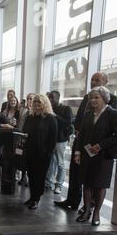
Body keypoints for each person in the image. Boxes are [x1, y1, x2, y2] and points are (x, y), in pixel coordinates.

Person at [55, 72, 117, 212]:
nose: (93, 82)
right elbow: (80, 119)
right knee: (76, 172)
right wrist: (77, 133)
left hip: (101, 148)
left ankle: (89, 206)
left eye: (97, 80)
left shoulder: (112, 100)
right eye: (92, 80)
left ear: (106, 82)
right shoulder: (86, 98)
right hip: (82, 142)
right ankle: (72, 200)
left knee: (95, 180)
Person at [74, 87, 117, 226]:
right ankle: (86, 211)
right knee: (87, 183)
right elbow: (81, 136)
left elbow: (115, 136)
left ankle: (96, 212)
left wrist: (101, 145)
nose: (93, 100)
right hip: (87, 154)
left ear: (104, 98)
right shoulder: (87, 114)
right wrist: (78, 153)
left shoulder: (113, 114)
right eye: (91, 97)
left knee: (99, 186)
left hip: (104, 156)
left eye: (96, 97)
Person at [22, 94, 58, 210]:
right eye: (35, 101)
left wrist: (47, 152)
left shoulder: (50, 118)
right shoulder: (30, 117)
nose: (37, 104)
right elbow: (25, 132)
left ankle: (36, 199)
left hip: (43, 154)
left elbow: (53, 139)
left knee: (39, 177)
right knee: (31, 175)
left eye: (39, 102)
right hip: (30, 151)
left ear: (45, 103)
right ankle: (32, 197)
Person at [45, 91, 73, 194]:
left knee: (60, 162)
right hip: (50, 139)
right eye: (49, 98)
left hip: (60, 140)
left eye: (52, 98)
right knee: (51, 162)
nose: (50, 100)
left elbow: (68, 122)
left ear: (58, 98)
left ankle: (59, 185)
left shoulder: (66, 109)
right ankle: (49, 183)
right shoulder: (50, 109)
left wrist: (54, 115)